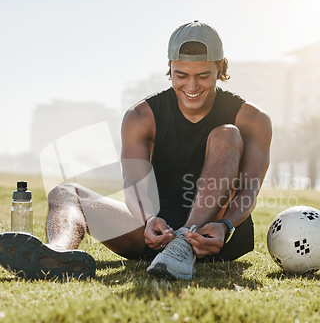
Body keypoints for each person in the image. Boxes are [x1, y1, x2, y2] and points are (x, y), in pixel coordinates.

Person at [0, 21, 272, 280]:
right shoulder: (141, 116)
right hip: (155, 234)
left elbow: (249, 191)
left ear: (220, 68)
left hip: (215, 235)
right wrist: (149, 219)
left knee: (227, 134)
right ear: (169, 68)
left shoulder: (253, 120)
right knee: (65, 193)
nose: (191, 87)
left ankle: (183, 245)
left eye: (203, 76)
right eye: (181, 75)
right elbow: (134, 183)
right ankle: (58, 253)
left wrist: (225, 226)